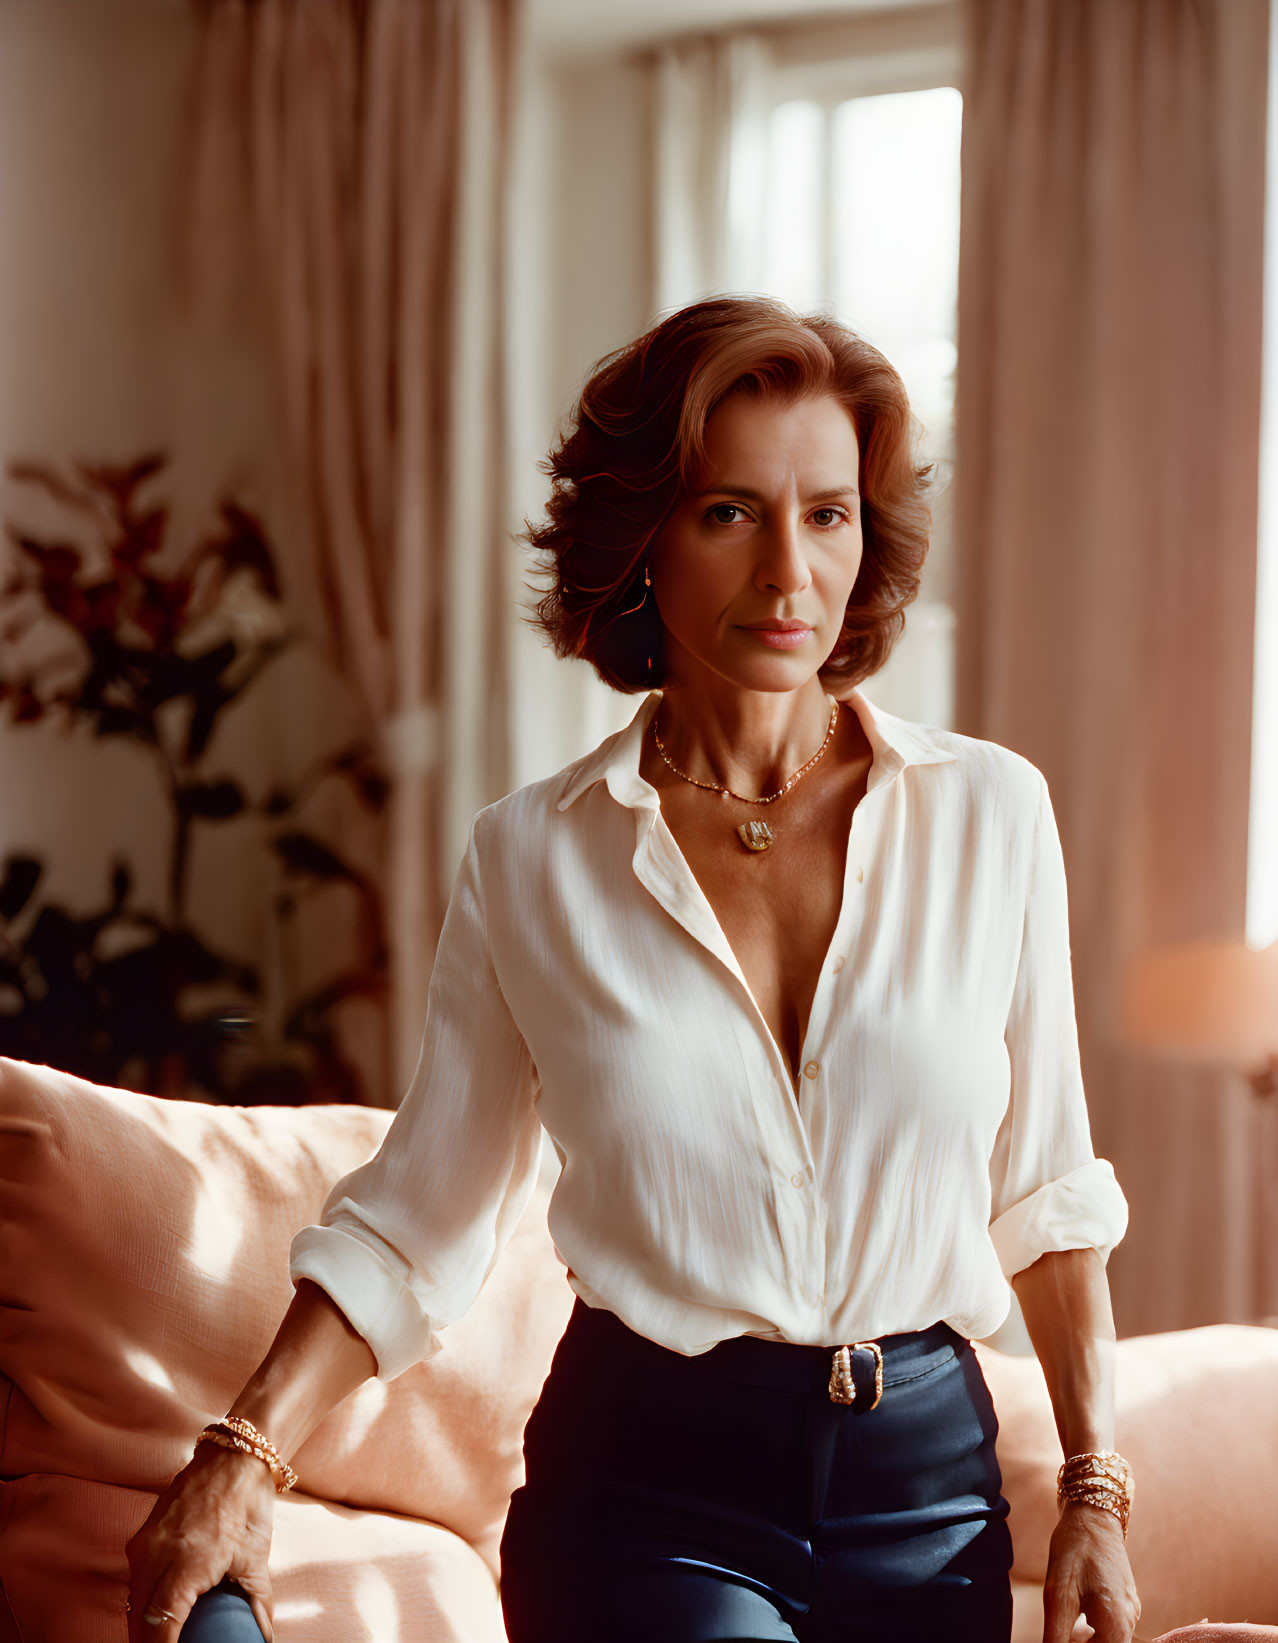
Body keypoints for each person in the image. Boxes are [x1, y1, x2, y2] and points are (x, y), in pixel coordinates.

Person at [124, 295, 1141, 1643]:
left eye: (826, 515)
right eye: (730, 512)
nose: (789, 573)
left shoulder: (991, 816)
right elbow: (419, 1219)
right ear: (641, 539)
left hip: (929, 1504)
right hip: (654, 1497)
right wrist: (239, 1455)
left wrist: (1094, 1488)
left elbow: (1046, 1191)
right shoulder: (532, 860)